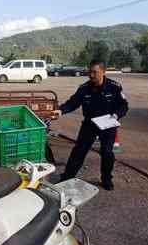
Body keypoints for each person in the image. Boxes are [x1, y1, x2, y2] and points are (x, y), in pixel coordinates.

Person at [54, 60, 128, 191]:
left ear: (103, 72)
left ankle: (106, 179)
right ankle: (67, 177)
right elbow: (72, 102)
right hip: (90, 124)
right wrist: (61, 110)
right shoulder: (84, 88)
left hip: (108, 125)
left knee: (107, 153)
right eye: (90, 72)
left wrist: (116, 115)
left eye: (95, 72)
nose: (92, 75)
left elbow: (123, 105)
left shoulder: (114, 87)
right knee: (79, 151)